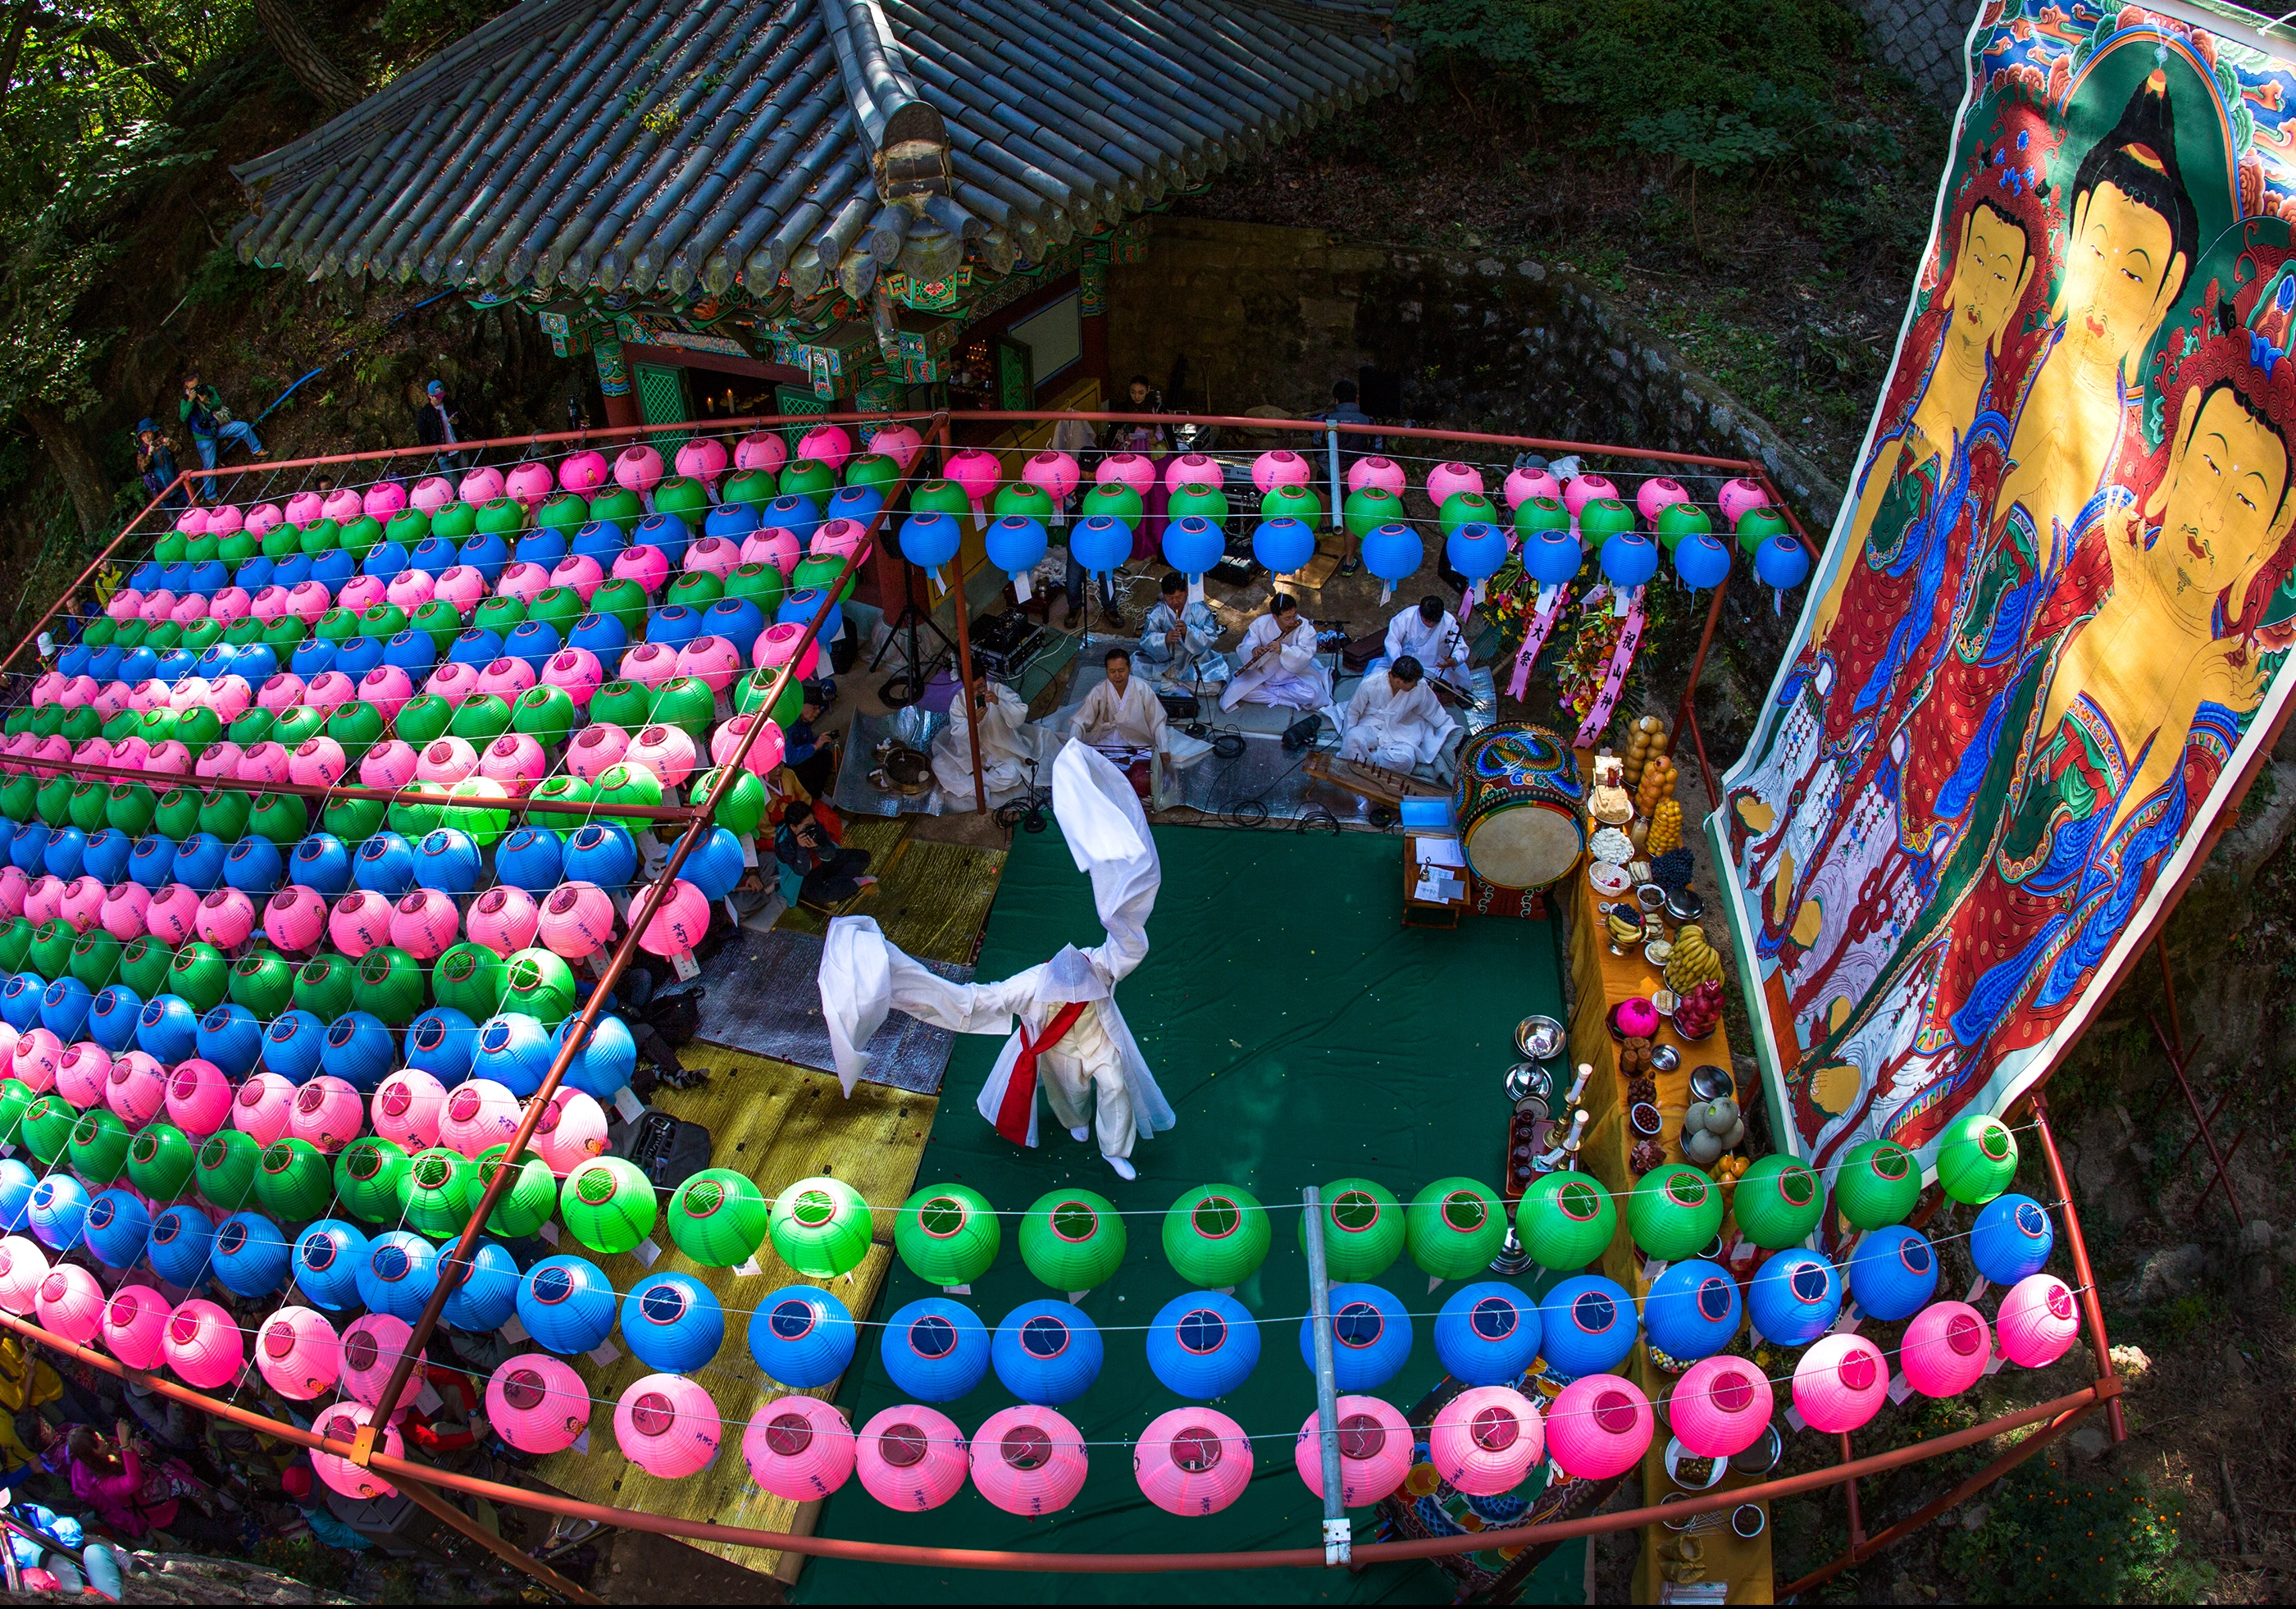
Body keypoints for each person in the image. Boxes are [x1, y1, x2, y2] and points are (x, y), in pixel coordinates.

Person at [822, 745, 1176, 1181]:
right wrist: (900, 982)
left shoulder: (1100, 965)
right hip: (1058, 1047)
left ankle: (1115, 1148)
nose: (1077, 992)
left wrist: (1119, 909)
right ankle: (1076, 1122)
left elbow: (1130, 946)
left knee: (1116, 1084)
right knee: (1069, 1093)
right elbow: (973, 1002)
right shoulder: (1030, 986)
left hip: (1099, 1039)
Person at [1338, 655, 1456, 770]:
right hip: (1372, 724)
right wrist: (1349, 734)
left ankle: (1371, 758)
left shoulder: (1420, 687)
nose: (1416, 684)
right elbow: (1353, 710)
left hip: (1402, 728)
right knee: (1351, 740)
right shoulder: (1370, 683)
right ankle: (1371, 761)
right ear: (1399, 681)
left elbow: (1433, 710)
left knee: (1404, 759)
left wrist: (1448, 727)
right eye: (1414, 682)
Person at [1223, 593, 1329, 711]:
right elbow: (1246, 645)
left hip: (1293, 673)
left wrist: (1283, 650)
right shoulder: (1260, 624)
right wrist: (1253, 650)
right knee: (1237, 693)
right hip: (1265, 672)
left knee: (1312, 695)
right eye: (1287, 618)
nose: (1293, 621)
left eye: (1294, 615)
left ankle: (1273, 693)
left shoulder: (1304, 626)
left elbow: (1306, 653)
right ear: (1275, 616)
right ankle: (1284, 700)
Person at [1069, 647, 1168, 772]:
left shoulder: (1142, 689)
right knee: (1087, 762)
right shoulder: (1099, 691)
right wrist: (1071, 748)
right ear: (1106, 671)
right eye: (1112, 671)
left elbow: (1157, 720)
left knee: (1149, 766)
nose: (1117, 676)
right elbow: (1079, 721)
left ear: (1129, 668)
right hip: (1106, 740)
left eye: (1121, 670)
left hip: (1136, 741)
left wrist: (1164, 749)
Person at [177, 371, 265, 499]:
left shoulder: (208, 390)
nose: (196, 390)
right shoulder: (185, 401)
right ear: (187, 390)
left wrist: (207, 401)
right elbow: (183, 417)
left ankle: (257, 450)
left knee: (243, 427)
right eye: (192, 389)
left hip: (217, 427)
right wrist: (191, 401)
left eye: (197, 386)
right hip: (203, 436)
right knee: (209, 466)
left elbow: (218, 405)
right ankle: (211, 495)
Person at [1136, 572, 1229, 690]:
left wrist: (1188, 632)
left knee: (1215, 686)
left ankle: (1170, 685)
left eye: (1179, 597)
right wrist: (1164, 639)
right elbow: (1146, 640)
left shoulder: (1199, 609)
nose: (1175, 602)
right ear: (1164, 595)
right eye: (1170, 598)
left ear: (1186, 592)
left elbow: (1210, 637)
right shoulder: (1158, 612)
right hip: (1166, 662)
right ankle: (1180, 686)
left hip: (1194, 660)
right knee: (1136, 670)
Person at [773, 800, 876, 906]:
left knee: (863, 857)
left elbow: (831, 853)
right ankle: (854, 883)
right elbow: (802, 871)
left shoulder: (814, 825)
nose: (811, 829)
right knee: (822, 895)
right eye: (807, 827)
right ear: (793, 827)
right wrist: (801, 848)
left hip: (822, 861)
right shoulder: (783, 841)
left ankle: (835, 885)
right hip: (804, 875)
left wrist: (817, 847)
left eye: (813, 823)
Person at [1322, 379, 1374, 575]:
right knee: (1352, 510)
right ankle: (1349, 562)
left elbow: (1318, 449)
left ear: (1336, 400)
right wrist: (1354, 472)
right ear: (1357, 399)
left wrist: (1334, 472)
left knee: (1322, 479)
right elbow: (1376, 451)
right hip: (1359, 477)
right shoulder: (1369, 421)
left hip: (1332, 473)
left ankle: (1327, 525)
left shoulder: (1326, 419)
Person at [1383, 595, 1471, 691]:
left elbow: (1460, 647)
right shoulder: (1407, 616)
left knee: (1446, 688)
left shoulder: (1449, 622)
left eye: (1435, 622)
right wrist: (1399, 665)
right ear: (1420, 613)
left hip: (1436, 665)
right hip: (1407, 661)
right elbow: (1392, 641)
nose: (1431, 625)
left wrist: (1454, 660)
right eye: (1427, 621)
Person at [416, 380, 472, 470]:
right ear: (430, 396)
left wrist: (457, 422)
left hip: (460, 449)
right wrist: (436, 455)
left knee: (467, 476)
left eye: (441, 395)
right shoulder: (424, 414)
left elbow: (466, 423)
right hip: (443, 455)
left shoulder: (451, 405)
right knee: (452, 479)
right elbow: (423, 437)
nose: (440, 398)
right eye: (437, 397)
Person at [134, 421, 189, 513]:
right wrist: (149, 456)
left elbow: (180, 450)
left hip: (177, 482)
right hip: (161, 490)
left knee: (191, 508)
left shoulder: (163, 441)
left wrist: (171, 444)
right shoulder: (142, 452)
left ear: (153, 431)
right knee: (174, 517)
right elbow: (141, 470)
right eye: (143, 436)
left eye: (148, 433)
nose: (146, 438)